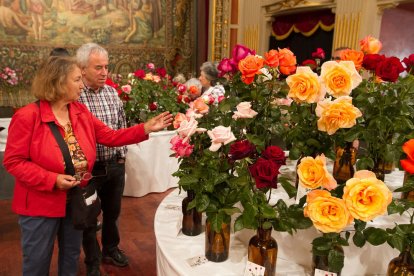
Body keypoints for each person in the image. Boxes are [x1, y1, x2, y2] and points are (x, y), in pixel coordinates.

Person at [2, 56, 172, 276]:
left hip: (76, 201)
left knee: (71, 256)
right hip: (39, 205)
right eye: (76, 80)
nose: (82, 85)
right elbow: (14, 162)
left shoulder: (80, 112)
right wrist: (52, 179)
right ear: (58, 82)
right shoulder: (27, 117)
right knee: (37, 261)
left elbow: (110, 136)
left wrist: (146, 128)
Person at [77, 42, 154, 275]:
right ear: (82, 69)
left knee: (113, 213)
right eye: (98, 67)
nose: (104, 72)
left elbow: (121, 125)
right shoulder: (75, 96)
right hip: (89, 170)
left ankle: (111, 249)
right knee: (89, 218)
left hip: (114, 164)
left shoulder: (112, 92)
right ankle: (92, 260)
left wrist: (121, 158)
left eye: (106, 67)